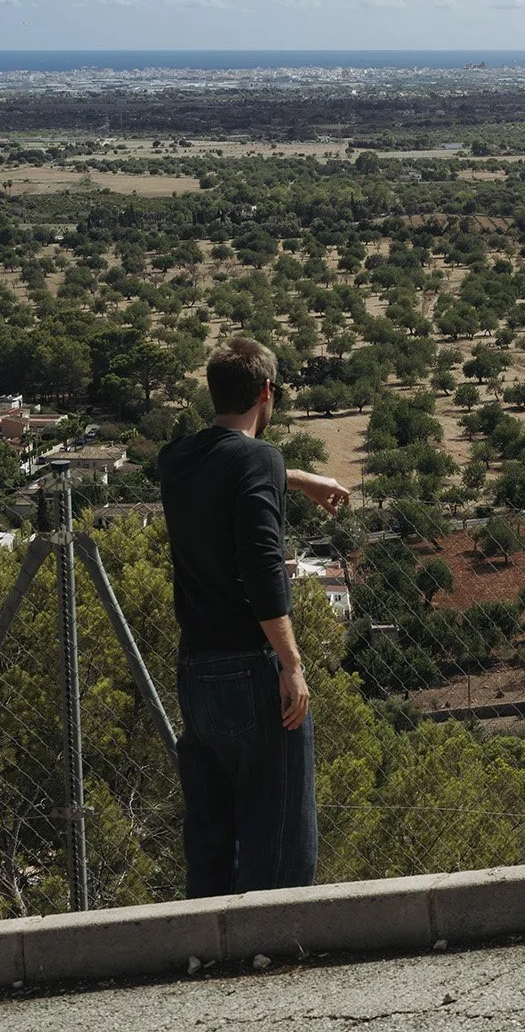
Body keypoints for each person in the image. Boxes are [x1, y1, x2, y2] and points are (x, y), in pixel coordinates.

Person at [157, 336, 348, 897]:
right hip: (251, 669)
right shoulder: (258, 459)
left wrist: (297, 477)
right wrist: (291, 664)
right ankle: (271, 956)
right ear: (267, 392)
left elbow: (225, 466)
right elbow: (263, 568)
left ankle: (210, 955)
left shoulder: (177, 460)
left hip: (196, 670)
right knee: (280, 844)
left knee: (212, 838)